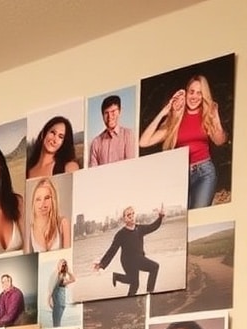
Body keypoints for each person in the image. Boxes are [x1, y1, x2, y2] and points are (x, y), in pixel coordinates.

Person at [139, 75, 227, 209]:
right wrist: (164, 112)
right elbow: (143, 142)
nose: (194, 97)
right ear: (186, 93)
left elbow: (219, 141)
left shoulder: (206, 116)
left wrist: (216, 119)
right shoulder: (176, 120)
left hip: (204, 172)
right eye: (192, 92)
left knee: (198, 213)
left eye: (199, 93)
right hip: (181, 175)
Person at [94, 204, 164, 297]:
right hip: (128, 262)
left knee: (153, 268)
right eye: (128, 215)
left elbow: (153, 227)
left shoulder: (140, 229)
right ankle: (140, 296)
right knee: (135, 284)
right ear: (124, 219)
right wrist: (102, 264)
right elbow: (112, 250)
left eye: (133, 214)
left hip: (139, 258)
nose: (131, 217)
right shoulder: (121, 234)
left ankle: (149, 294)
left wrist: (160, 217)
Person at [88, 94, 136, 166]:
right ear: (102, 115)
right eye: (106, 113)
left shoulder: (128, 135)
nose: (110, 117)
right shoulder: (96, 142)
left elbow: (130, 166)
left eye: (113, 111)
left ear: (119, 111)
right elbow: (93, 173)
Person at [28, 178, 70, 252]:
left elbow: (68, 257)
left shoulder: (62, 224)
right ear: (33, 202)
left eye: (47, 198)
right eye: (38, 199)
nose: (42, 204)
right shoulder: (29, 230)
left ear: (53, 200)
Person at [49, 259, 76, 328]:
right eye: (62, 265)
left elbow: (73, 279)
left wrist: (68, 271)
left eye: (65, 265)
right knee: (57, 323)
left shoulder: (61, 278)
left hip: (59, 304)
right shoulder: (58, 276)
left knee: (56, 324)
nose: (63, 267)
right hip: (60, 303)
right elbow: (52, 290)